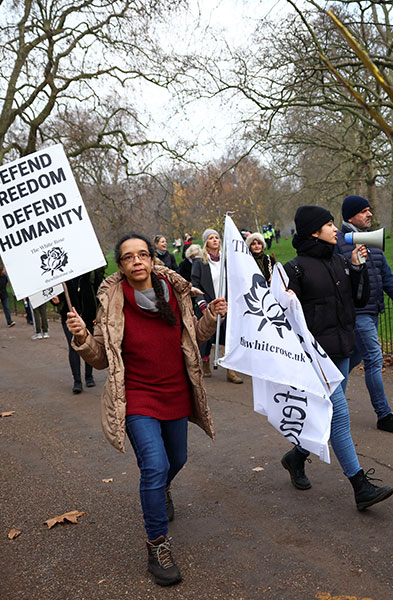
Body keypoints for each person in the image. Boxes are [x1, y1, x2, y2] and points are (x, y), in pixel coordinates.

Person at [66, 233, 227, 587]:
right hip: (137, 396)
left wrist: (212, 317)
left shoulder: (175, 291)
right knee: (154, 465)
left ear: (153, 259)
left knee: (177, 460)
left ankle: (160, 489)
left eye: (143, 255)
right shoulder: (111, 303)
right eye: (128, 257)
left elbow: (193, 337)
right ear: (121, 266)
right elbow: (99, 359)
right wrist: (81, 336)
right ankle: (157, 545)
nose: (137, 261)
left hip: (176, 393)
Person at [280, 205, 393, 511]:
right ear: (314, 231)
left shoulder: (340, 261)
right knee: (339, 416)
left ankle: (296, 457)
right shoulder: (295, 270)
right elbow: (284, 318)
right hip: (317, 358)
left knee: (326, 415)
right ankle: (360, 486)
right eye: (329, 225)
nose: (335, 229)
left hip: (342, 350)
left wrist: (357, 269)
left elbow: (357, 300)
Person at [335, 195, 393, 434]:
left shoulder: (371, 241)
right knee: (374, 360)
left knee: (353, 358)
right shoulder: (339, 243)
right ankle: (383, 414)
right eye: (364, 211)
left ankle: (327, 394)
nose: (370, 214)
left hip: (372, 311)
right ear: (350, 216)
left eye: (369, 210)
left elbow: (385, 274)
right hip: (358, 314)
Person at [189, 228, 242, 384]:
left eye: (217, 237)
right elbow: (195, 283)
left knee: (229, 336)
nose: (215, 240)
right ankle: (205, 362)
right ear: (206, 242)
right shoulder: (200, 262)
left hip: (226, 304)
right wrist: (202, 303)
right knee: (207, 336)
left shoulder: (226, 261)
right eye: (211, 238)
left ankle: (231, 370)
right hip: (209, 304)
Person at [53, 269, 102, 394]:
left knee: (89, 343)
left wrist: (98, 313)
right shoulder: (60, 273)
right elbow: (53, 292)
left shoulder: (90, 271)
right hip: (69, 316)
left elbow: (100, 290)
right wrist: (54, 299)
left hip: (88, 314)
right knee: (73, 346)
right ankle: (77, 381)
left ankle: (89, 376)